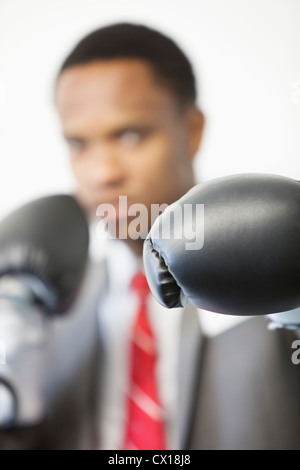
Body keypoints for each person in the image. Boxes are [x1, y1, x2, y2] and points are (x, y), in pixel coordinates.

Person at [0, 22, 299, 450]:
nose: (102, 173)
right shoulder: (43, 307)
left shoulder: (274, 272)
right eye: (79, 143)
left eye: (130, 135)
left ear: (191, 130)